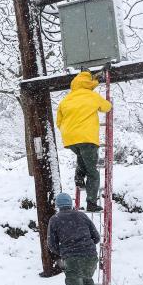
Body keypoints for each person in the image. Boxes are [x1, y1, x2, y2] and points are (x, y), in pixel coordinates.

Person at [48, 192, 103, 285]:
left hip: (72, 259)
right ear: (70, 204)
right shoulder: (82, 216)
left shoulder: (55, 219)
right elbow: (97, 237)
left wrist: (65, 252)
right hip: (90, 257)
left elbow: (51, 245)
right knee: (87, 279)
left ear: (58, 205)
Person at [56, 70, 112, 212]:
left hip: (70, 138)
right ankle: (91, 203)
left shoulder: (66, 100)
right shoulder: (92, 96)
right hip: (87, 138)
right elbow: (107, 107)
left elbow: (58, 122)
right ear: (89, 83)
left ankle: (79, 176)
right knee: (93, 172)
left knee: (81, 157)